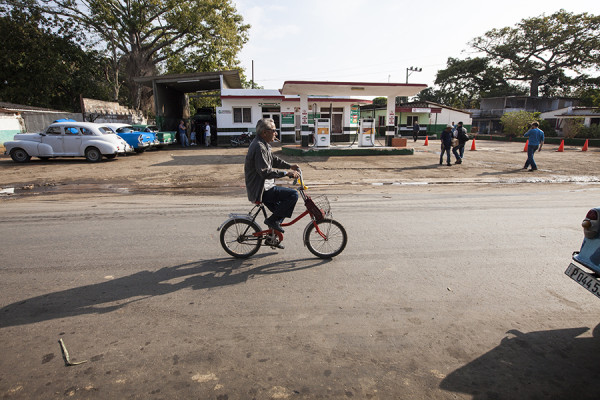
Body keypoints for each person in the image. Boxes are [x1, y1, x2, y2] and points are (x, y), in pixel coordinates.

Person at [245, 118, 300, 238]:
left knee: (281, 211)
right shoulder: (259, 147)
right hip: (261, 190)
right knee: (293, 195)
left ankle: (272, 236)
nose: (276, 133)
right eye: (274, 130)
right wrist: (286, 173)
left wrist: (289, 166)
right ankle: (272, 223)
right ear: (265, 132)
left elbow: (274, 160)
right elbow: (265, 172)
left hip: (266, 187)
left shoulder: (264, 145)